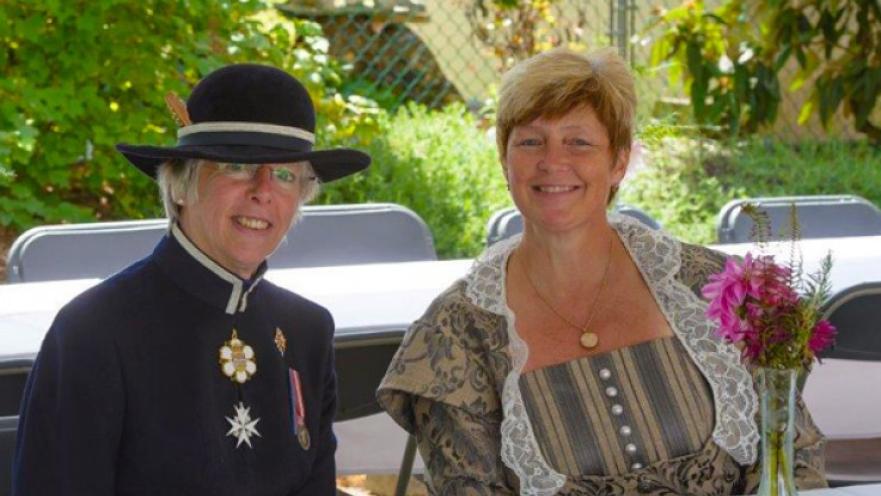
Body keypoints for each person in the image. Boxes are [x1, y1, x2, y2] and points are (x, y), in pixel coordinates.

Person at [377, 48, 826, 495]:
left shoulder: (711, 287)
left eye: (579, 141)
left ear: (618, 162)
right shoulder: (456, 334)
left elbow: (792, 455)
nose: (553, 161)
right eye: (531, 141)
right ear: (505, 161)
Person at [13, 64, 370, 495]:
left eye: (284, 174)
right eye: (237, 165)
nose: (263, 190)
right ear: (180, 185)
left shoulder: (307, 330)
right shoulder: (94, 332)